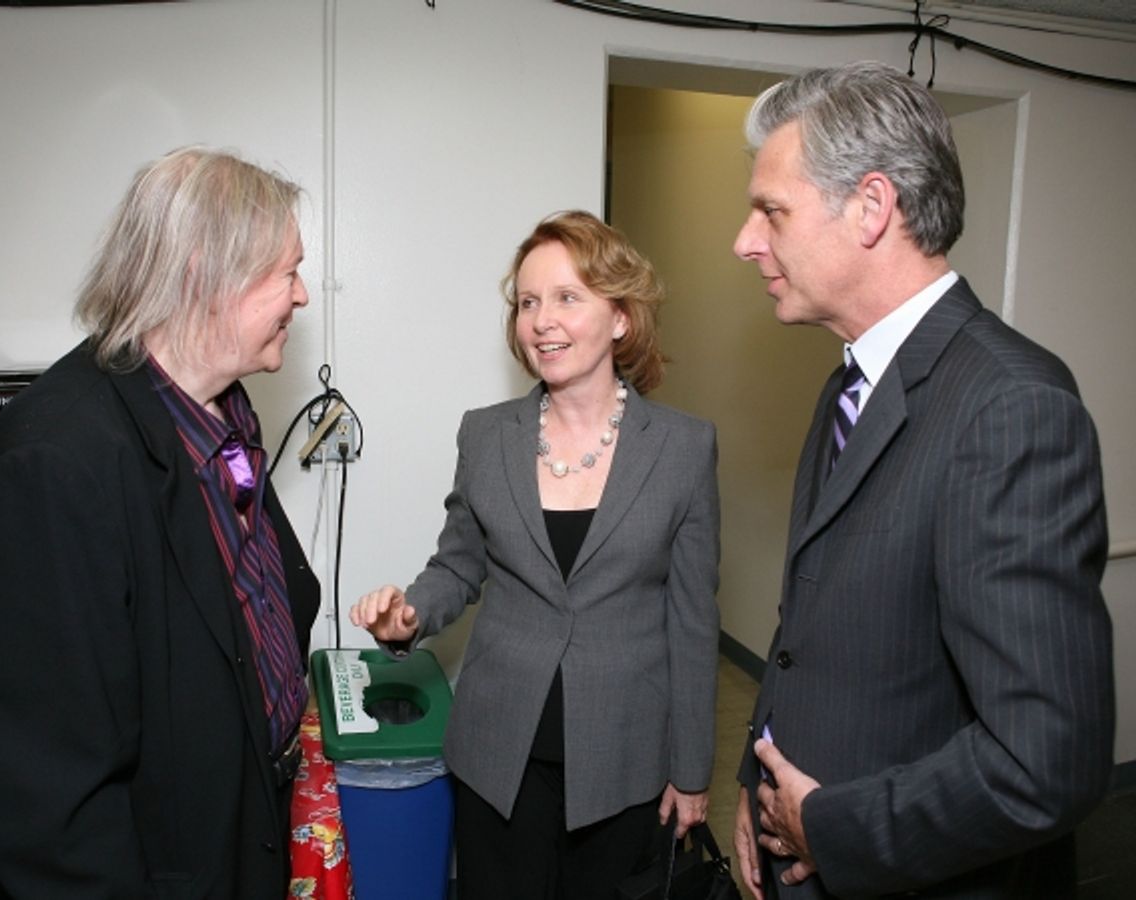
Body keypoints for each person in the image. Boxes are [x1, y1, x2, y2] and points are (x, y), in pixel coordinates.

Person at [730, 61, 1114, 899]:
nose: (746, 240)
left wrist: (829, 828)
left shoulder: (1012, 407)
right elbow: (810, 628)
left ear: (871, 208)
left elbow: (1045, 762)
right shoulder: (852, 382)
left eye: (772, 211)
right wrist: (755, 785)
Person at [0, 147, 321, 898]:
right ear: (203, 276)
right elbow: (59, 818)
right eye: (287, 271)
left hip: (237, 829)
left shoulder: (222, 410)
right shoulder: (51, 467)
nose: (304, 294)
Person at [350, 210, 720, 900]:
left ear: (620, 318)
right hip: (498, 754)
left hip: (626, 761)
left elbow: (693, 620)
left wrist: (692, 769)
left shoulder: (683, 448)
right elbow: (458, 565)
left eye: (566, 298)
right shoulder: (487, 436)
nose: (541, 320)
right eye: (527, 302)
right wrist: (410, 614)